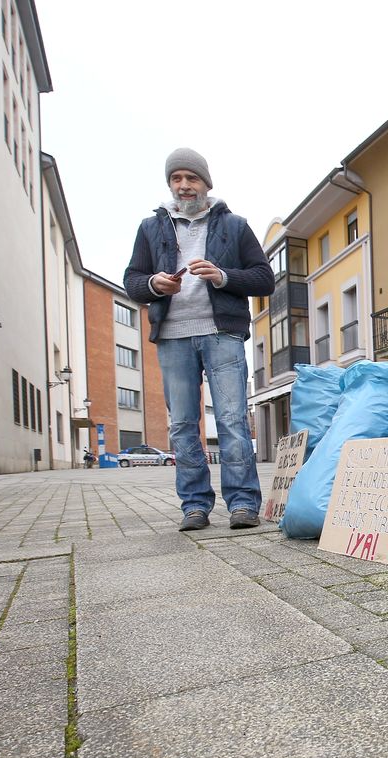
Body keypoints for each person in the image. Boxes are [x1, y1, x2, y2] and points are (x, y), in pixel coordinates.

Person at [124, 148, 275, 531]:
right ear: (170, 185)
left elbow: (264, 278)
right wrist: (154, 284)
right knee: (182, 425)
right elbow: (132, 282)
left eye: (192, 178)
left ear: (206, 183)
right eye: (177, 178)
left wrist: (223, 276)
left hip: (222, 332)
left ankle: (242, 504)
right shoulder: (149, 228)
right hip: (173, 336)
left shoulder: (235, 225)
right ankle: (194, 506)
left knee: (232, 419)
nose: (184, 185)